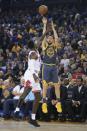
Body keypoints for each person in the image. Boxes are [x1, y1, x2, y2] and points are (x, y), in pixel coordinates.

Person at [14, 51, 41, 127]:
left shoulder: (38, 53)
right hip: (30, 74)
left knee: (38, 97)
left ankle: (32, 118)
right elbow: (32, 62)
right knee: (26, 91)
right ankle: (16, 112)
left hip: (35, 75)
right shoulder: (32, 53)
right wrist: (34, 75)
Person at [41, 17, 62, 113]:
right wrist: (45, 24)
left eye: (51, 38)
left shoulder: (55, 46)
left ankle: (58, 103)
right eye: (48, 38)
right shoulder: (45, 45)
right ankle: (44, 103)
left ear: (52, 40)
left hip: (53, 66)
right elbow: (43, 35)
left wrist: (53, 28)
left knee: (57, 85)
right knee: (45, 85)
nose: (49, 39)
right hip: (46, 66)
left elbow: (57, 38)